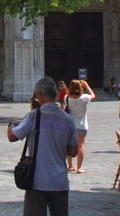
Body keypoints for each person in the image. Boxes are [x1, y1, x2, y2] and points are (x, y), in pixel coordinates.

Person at [7, 77, 78, 215]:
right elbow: (73, 151)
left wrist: (11, 125)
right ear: (56, 94)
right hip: (60, 182)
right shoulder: (68, 120)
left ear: (39, 94)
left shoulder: (34, 116)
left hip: (37, 182)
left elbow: (12, 136)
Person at [64, 79, 96, 173]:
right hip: (82, 125)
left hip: (70, 125)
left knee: (69, 145)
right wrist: (86, 86)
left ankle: (70, 166)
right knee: (81, 145)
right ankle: (79, 167)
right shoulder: (84, 98)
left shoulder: (67, 98)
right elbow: (93, 96)